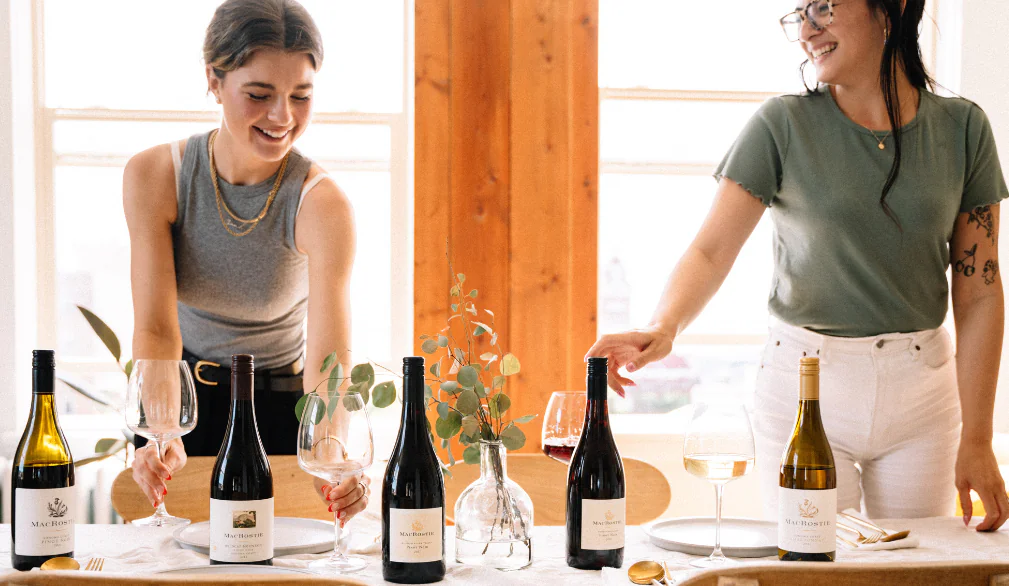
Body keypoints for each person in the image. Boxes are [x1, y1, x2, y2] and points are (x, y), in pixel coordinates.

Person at [586, 0, 1009, 530]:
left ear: (892, 8)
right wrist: (663, 326)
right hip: (804, 390)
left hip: (922, 398)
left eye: (826, 8)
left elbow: (980, 292)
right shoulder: (781, 124)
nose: (808, 29)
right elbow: (711, 250)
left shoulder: (964, 129)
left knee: (916, 568)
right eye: (802, 13)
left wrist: (978, 438)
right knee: (813, 567)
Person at [122, 0, 369, 526]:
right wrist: (159, 433)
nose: (282, 117)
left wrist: (330, 454)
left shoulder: (323, 205)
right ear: (214, 79)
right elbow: (158, 328)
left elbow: (328, 363)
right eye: (259, 94)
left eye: (300, 97)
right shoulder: (155, 175)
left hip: (281, 412)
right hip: (183, 400)